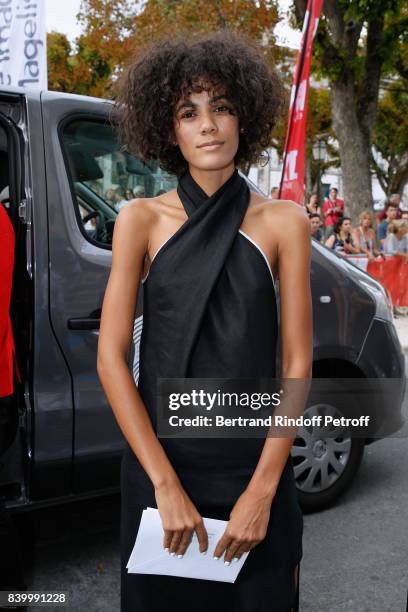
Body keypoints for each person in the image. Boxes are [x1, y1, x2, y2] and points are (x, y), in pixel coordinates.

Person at [97, 32, 312, 612]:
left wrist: (264, 491)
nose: (208, 124)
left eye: (221, 107)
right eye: (189, 112)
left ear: (245, 117)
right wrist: (164, 486)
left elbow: (296, 364)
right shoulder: (138, 219)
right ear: (170, 131)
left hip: (254, 469)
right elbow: (111, 359)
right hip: (160, 470)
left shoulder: (284, 222)